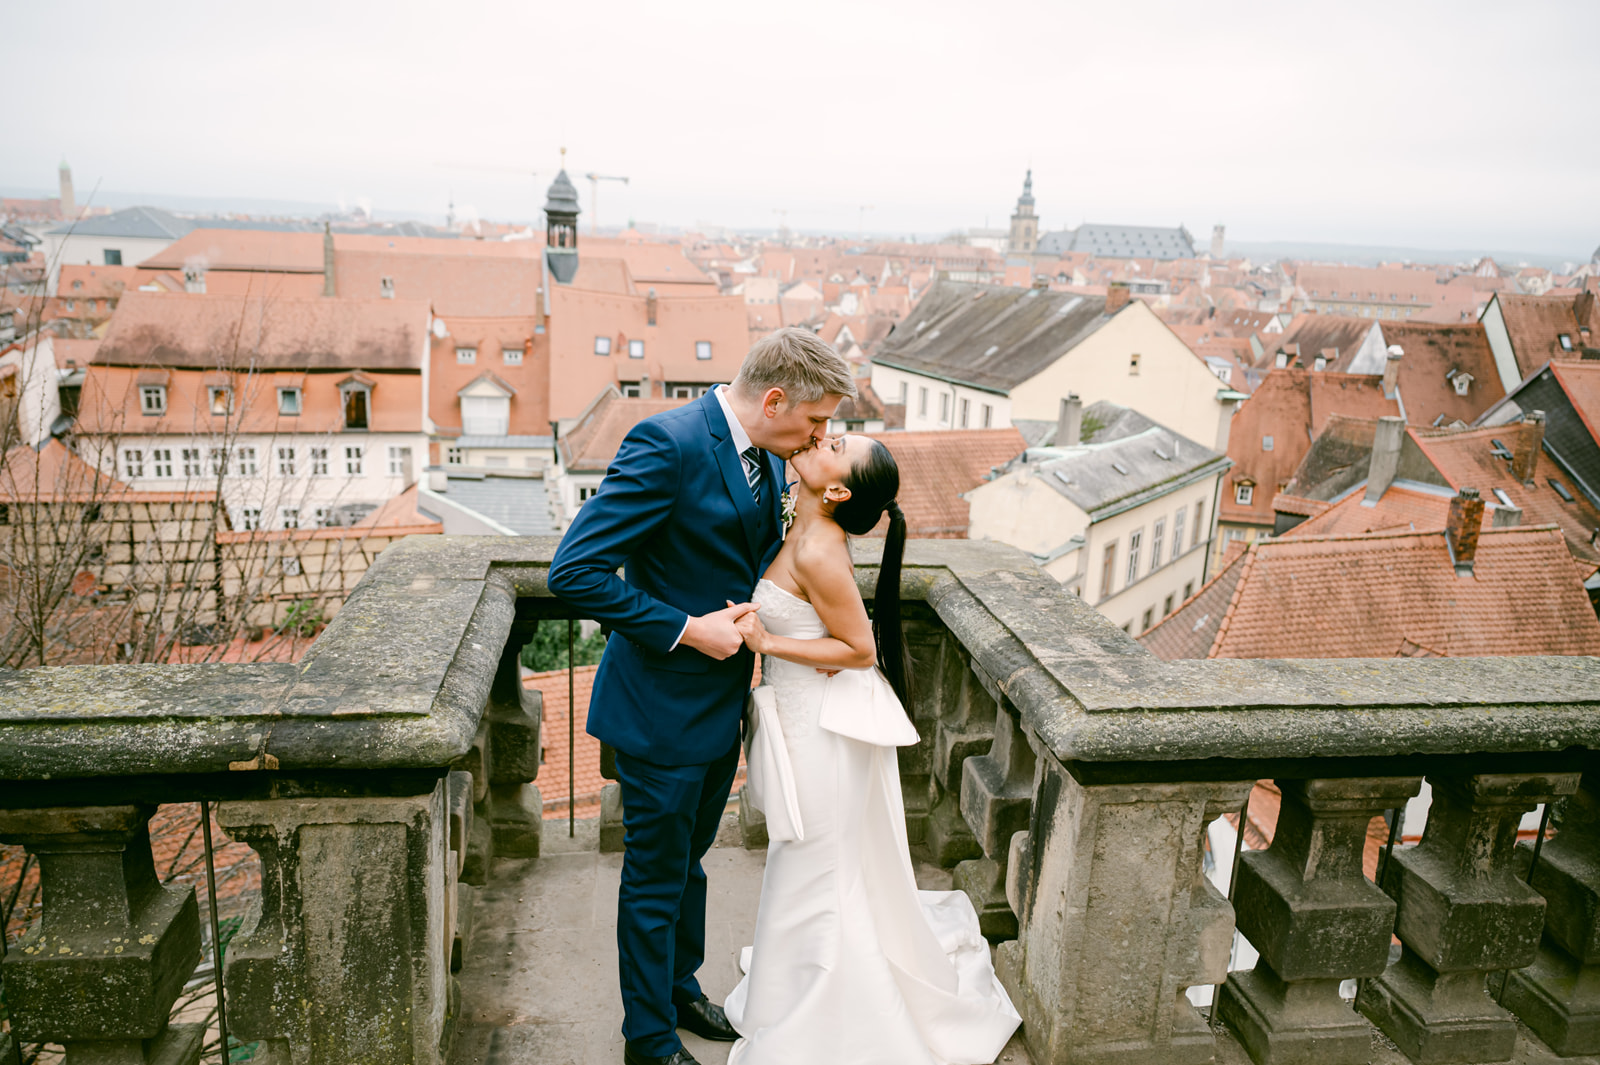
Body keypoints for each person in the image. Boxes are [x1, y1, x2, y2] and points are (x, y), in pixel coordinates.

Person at [547, 327, 857, 1065]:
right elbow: (574, 572)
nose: (820, 437)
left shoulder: (769, 458)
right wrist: (687, 629)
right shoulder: (667, 445)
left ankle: (680, 990)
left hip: (720, 710)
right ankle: (646, 1037)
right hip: (658, 712)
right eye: (815, 423)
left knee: (690, 866)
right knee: (653, 880)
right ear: (774, 398)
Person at [722, 434, 1022, 1064]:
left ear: (836, 490)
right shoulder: (801, 517)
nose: (819, 438)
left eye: (834, 443)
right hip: (803, 715)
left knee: (814, 860)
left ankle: (831, 1009)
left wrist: (767, 645)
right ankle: (791, 984)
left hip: (823, 729)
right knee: (804, 855)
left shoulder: (820, 549)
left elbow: (858, 649)